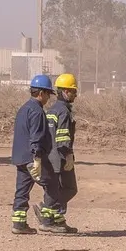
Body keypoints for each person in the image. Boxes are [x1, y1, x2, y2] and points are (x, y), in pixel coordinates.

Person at [10, 74, 56, 235]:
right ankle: (48, 220)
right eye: (48, 94)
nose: (49, 98)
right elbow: (36, 136)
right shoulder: (37, 111)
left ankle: (19, 223)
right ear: (41, 93)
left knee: (21, 190)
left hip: (20, 158)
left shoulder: (23, 108)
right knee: (52, 185)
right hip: (32, 159)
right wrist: (37, 158)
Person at [42, 72, 80, 233]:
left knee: (54, 188)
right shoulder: (63, 111)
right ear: (65, 91)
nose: (75, 95)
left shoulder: (51, 110)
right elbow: (63, 138)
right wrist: (68, 156)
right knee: (69, 188)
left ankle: (56, 218)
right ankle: (47, 213)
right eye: (73, 91)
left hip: (49, 155)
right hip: (60, 157)